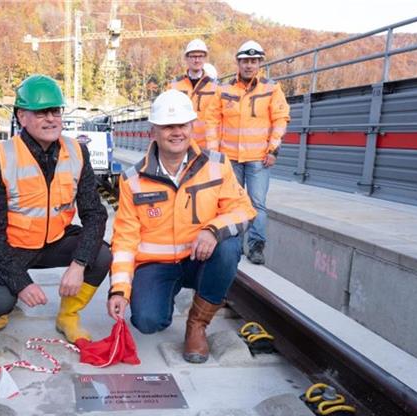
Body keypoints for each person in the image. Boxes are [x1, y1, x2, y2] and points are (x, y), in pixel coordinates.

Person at [107, 90, 256, 363]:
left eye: (182, 125)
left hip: (200, 259)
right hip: (157, 264)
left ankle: (196, 325)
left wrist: (213, 230)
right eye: (168, 126)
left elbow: (244, 210)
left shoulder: (217, 165)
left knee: (229, 246)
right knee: (149, 322)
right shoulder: (132, 180)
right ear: (154, 131)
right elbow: (125, 240)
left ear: (191, 127)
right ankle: (164, 297)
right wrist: (119, 289)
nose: (176, 132)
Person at [0, 74, 111, 342]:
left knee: (101, 256)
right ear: (21, 117)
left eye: (55, 111)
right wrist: (21, 283)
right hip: (13, 246)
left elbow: (95, 214)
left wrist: (79, 263)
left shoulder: (77, 152)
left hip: (55, 240)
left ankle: (68, 316)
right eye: (40, 112)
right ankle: (6, 295)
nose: (50, 118)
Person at [207, 40, 291, 265]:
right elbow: (212, 121)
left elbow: (280, 119)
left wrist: (274, 149)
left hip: (258, 159)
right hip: (229, 158)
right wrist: (214, 155)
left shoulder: (272, 89)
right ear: (238, 62)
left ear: (260, 63)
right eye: (245, 61)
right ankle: (233, 246)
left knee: (257, 204)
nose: (249, 65)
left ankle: (256, 247)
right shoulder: (224, 90)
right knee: (230, 202)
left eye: (253, 61)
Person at [167, 39, 220, 151]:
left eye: (200, 56)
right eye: (193, 56)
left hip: (206, 146)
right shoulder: (174, 86)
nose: (197, 60)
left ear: (205, 58)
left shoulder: (215, 87)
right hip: (180, 143)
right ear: (186, 58)